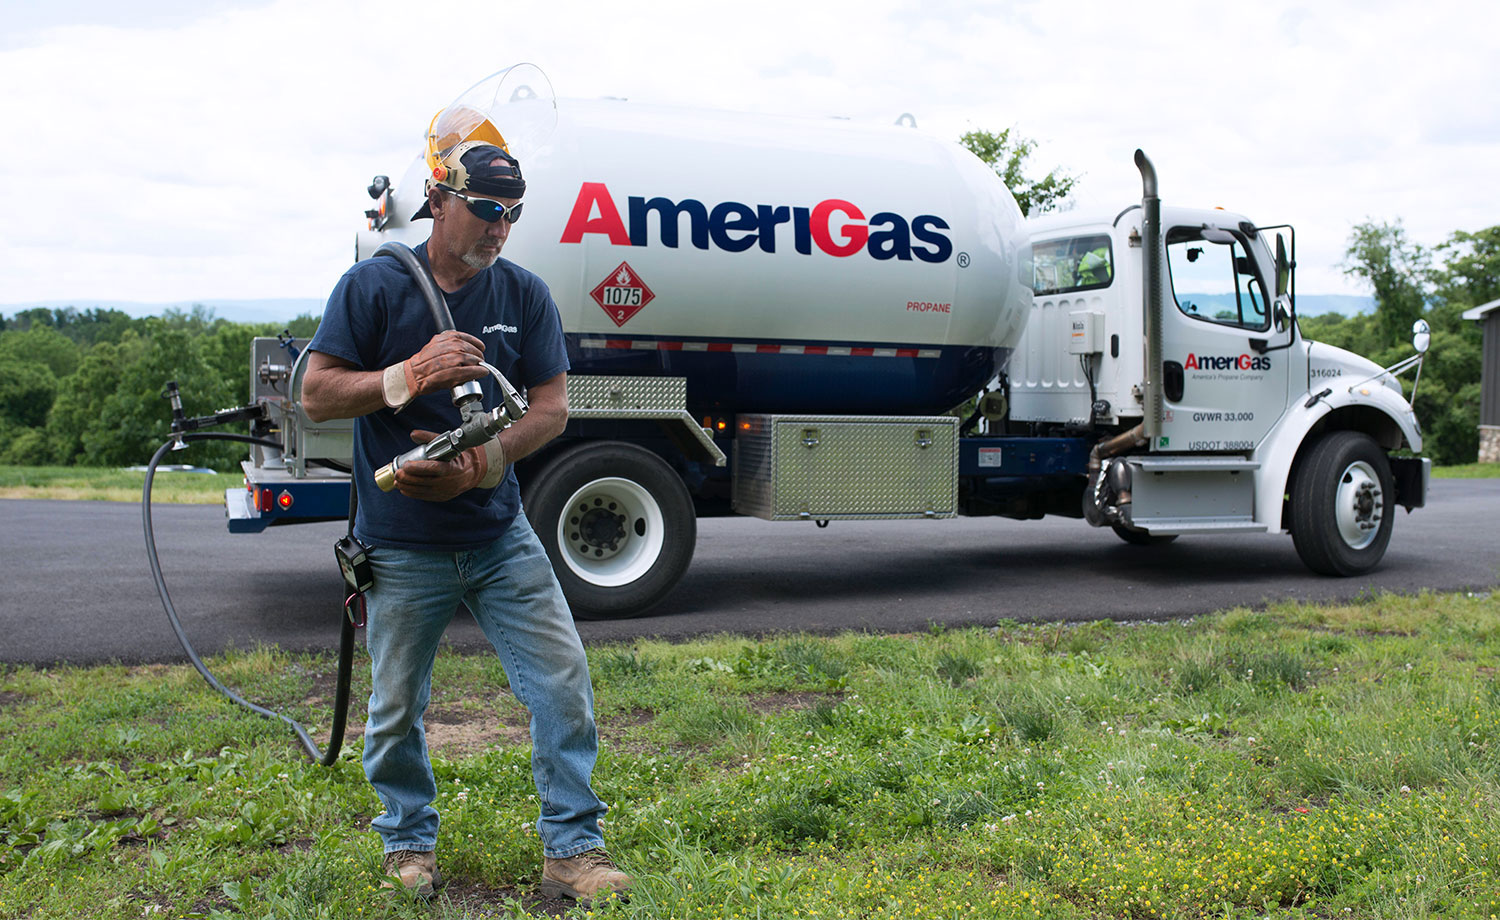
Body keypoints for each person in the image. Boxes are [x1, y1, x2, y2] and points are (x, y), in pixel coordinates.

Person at [301, 133, 631, 905]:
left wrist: (484, 464)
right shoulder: (375, 286)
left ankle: (573, 850)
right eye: (485, 209)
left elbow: (551, 409)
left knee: (561, 681)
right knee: (395, 704)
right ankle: (407, 842)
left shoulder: (523, 293)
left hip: (498, 532)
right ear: (438, 200)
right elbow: (315, 393)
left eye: (512, 213)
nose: (499, 227)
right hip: (402, 540)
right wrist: (405, 376)